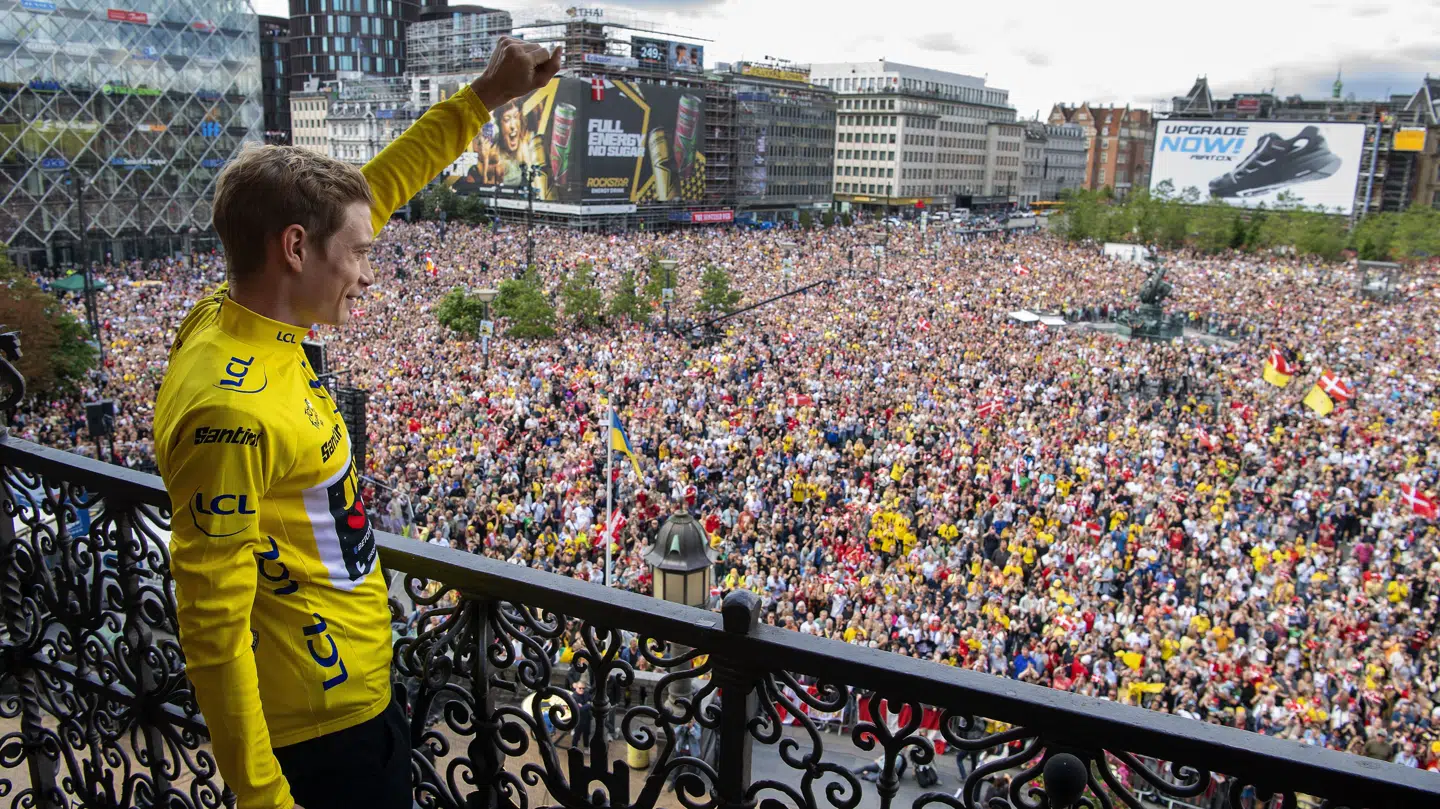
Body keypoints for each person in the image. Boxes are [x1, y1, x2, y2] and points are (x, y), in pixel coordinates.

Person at [151, 37, 562, 809]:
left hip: (356, 692)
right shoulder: (228, 415)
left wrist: (484, 98)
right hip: (319, 735)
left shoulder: (233, 307)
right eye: (360, 254)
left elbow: (376, 188)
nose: (369, 272)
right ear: (296, 248)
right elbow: (210, 627)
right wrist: (263, 796)